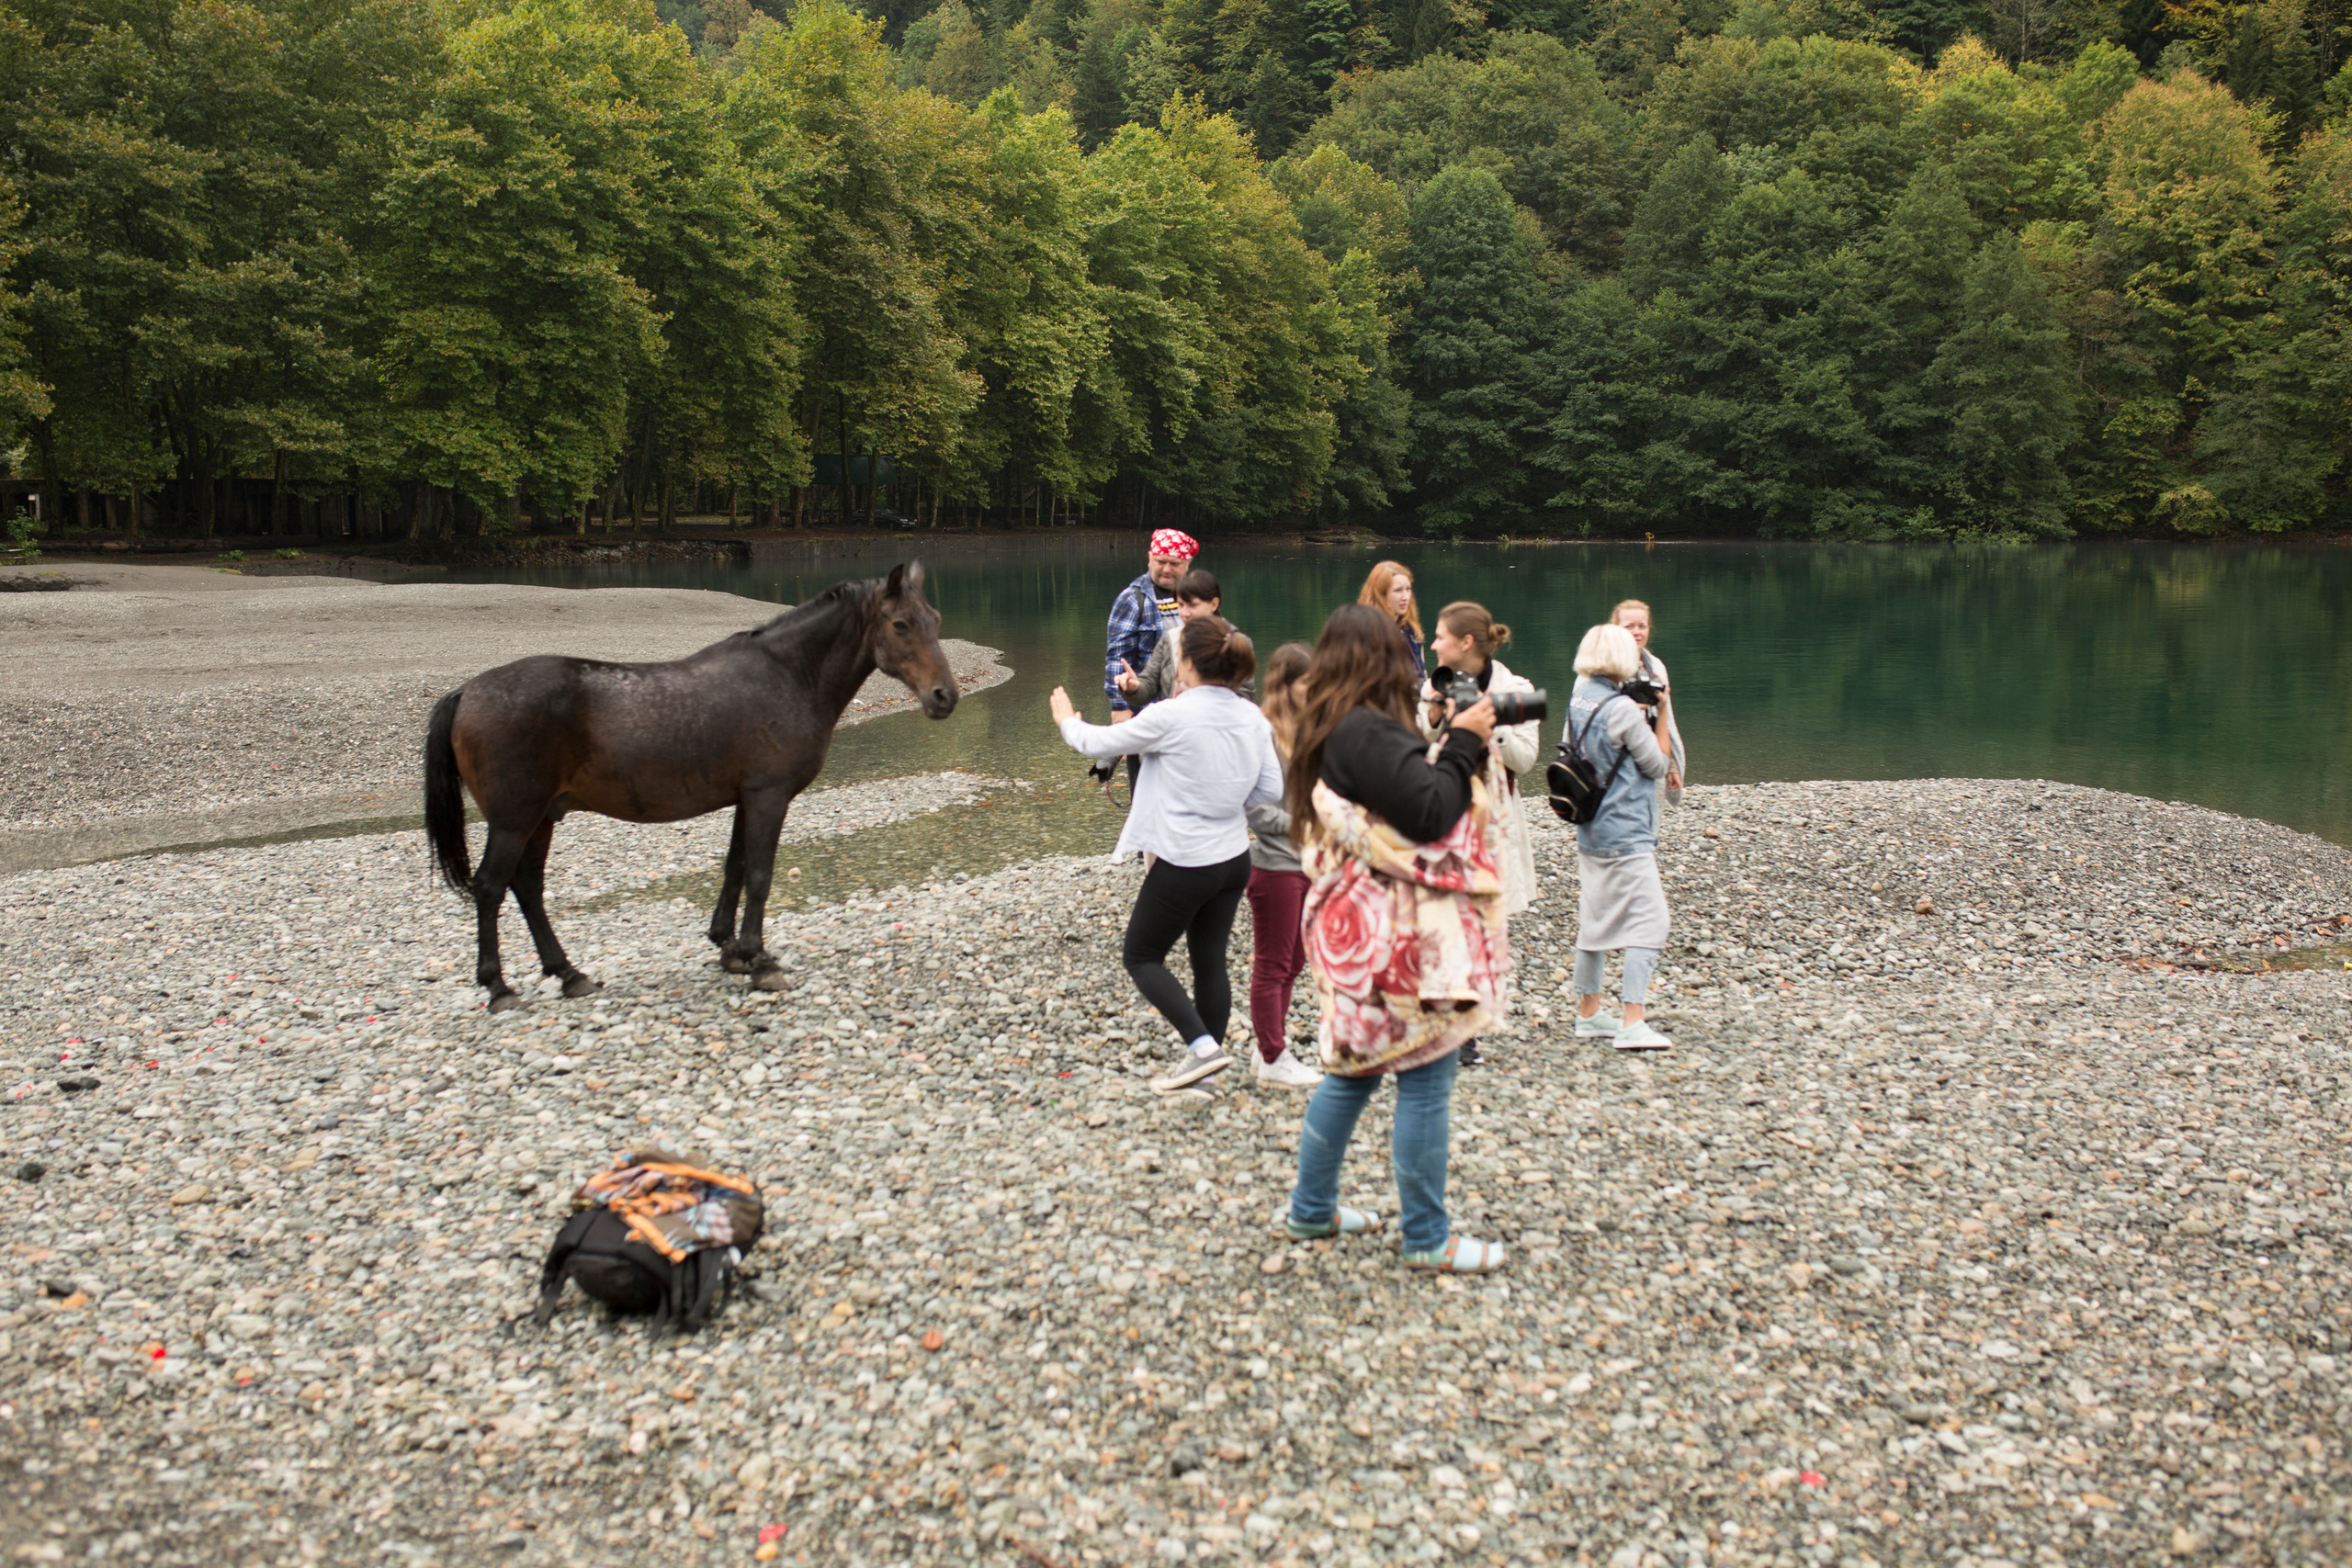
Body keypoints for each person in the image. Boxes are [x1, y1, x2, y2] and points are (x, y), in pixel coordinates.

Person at [1281, 604, 1510, 1274]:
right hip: (1396, 936)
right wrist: (1465, 740)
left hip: (1355, 930)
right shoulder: (1368, 733)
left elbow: (1401, 797)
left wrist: (1442, 737)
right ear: (1382, 663)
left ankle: (1311, 1207)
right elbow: (1432, 814)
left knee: (1352, 1069)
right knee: (1427, 1075)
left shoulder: (1330, 727)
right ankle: (1426, 1237)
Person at [1052, 615, 1280, 1094]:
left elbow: (1095, 742)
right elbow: (1268, 795)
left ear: (1188, 663)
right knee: (1209, 960)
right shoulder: (1252, 718)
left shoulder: (1171, 715)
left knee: (1141, 956)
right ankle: (1205, 1077)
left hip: (1185, 862)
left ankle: (1203, 1049)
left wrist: (1066, 719)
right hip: (1234, 859)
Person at [1418, 601, 1540, 1068]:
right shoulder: (1435, 683)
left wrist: (1488, 723)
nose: (1433, 644)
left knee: (1483, 925)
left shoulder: (1516, 689)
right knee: (1445, 918)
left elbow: (1526, 760)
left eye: (1440, 636)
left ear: (1465, 643)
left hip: (1493, 821)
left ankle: (1468, 1028)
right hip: (1440, 812)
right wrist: (1435, 714)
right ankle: (1449, 1020)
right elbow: (1415, 740)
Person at [1565, 622, 1674, 1051]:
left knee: (1596, 921)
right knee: (1651, 921)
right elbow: (1656, 765)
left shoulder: (1579, 698)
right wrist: (1662, 712)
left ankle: (1588, 1014)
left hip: (1590, 826)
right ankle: (1632, 1019)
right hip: (1627, 830)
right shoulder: (1624, 710)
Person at [1242, 642, 1319, 1089]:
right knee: (1273, 964)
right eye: (1309, 685)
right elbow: (1256, 811)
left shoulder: (1307, 729)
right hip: (1274, 864)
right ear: (1286, 685)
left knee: (1294, 962)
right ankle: (1274, 1057)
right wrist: (1307, 826)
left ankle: (1265, 1046)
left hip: (1308, 861)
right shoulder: (1264, 733)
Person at [1095, 529, 1197, 793]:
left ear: (1187, 565)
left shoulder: (1196, 599)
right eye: (1160, 561)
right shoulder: (1133, 599)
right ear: (1149, 558)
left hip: (1193, 717)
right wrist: (1120, 708)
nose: (1166, 568)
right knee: (1147, 796)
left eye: (1174, 564)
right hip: (1148, 715)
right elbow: (1117, 658)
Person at [1116, 569, 1254, 706]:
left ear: (1214, 604)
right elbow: (1149, 685)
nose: (1184, 613)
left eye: (1193, 605)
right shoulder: (1170, 639)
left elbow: (1245, 697)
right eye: (1180, 605)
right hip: (1176, 724)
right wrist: (1133, 688)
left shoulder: (1235, 642)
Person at [1611, 598, 1685, 807]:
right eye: (1629, 627)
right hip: (1613, 761)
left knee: (1649, 824)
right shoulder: (1602, 669)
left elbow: (1664, 719)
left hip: (1650, 758)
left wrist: (1671, 766)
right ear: (1615, 629)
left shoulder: (1656, 668)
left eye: (1642, 626)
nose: (1637, 632)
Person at [1356, 560, 1424, 677]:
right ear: (1380, 594)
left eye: (1408, 589)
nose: (1406, 597)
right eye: (1398, 590)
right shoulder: (1364, 632)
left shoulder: (1410, 631)